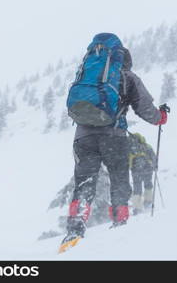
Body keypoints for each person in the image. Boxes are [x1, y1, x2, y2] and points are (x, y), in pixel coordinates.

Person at [63, 33, 168, 244]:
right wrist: (161, 117)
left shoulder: (86, 72)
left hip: (83, 138)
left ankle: (74, 230)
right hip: (113, 136)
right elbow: (145, 109)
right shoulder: (127, 77)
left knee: (84, 182)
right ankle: (120, 223)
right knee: (119, 179)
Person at [128, 132, 156, 215]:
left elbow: (127, 160)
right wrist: (155, 166)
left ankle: (137, 208)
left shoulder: (130, 148)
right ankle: (148, 202)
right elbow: (153, 157)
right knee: (148, 185)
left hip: (135, 171)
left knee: (137, 189)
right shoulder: (146, 146)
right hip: (147, 169)